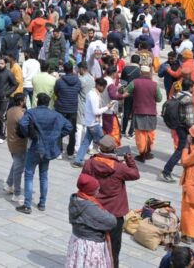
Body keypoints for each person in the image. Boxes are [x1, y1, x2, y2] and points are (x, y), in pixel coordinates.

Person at [81, 134, 138, 267]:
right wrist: (129, 159)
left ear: (100, 148)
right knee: (113, 248)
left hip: (95, 210)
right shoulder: (119, 167)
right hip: (114, 214)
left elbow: (83, 182)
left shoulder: (90, 163)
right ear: (114, 149)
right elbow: (135, 174)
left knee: (94, 244)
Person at [64, 174, 116, 268]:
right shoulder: (90, 207)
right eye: (96, 189)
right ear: (90, 191)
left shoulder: (75, 198)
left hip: (77, 241)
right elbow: (111, 222)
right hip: (90, 246)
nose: (98, 191)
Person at [125, 65, 163, 161]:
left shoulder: (135, 82)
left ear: (140, 73)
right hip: (151, 112)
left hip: (139, 111)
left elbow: (125, 92)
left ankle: (142, 153)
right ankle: (148, 152)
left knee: (140, 133)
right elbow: (159, 99)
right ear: (149, 73)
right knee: (150, 133)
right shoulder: (154, 84)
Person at [74, 77, 112, 166]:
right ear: (99, 86)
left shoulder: (93, 93)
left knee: (86, 142)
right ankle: (107, 162)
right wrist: (107, 107)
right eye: (103, 87)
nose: (103, 90)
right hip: (94, 124)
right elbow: (96, 111)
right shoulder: (93, 95)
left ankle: (78, 160)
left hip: (90, 123)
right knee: (105, 143)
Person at [3, 93, 28, 204]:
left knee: (16, 164)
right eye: (25, 100)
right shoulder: (21, 114)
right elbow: (26, 128)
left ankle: (9, 184)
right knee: (19, 169)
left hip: (11, 142)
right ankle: (17, 194)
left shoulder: (10, 110)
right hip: (19, 144)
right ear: (21, 102)